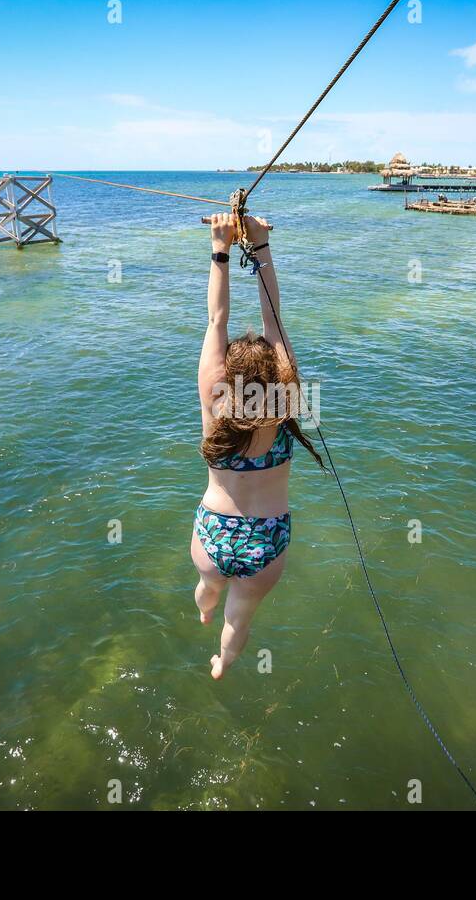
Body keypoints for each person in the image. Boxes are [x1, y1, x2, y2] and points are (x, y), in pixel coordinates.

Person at [191, 213, 324, 679]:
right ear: (276, 377)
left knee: (208, 587)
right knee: (239, 616)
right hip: (268, 539)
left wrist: (220, 248)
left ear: (229, 377)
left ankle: (203, 608)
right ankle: (222, 662)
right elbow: (274, 318)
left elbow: (217, 318)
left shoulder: (215, 403)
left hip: (214, 531)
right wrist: (261, 246)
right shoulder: (285, 403)